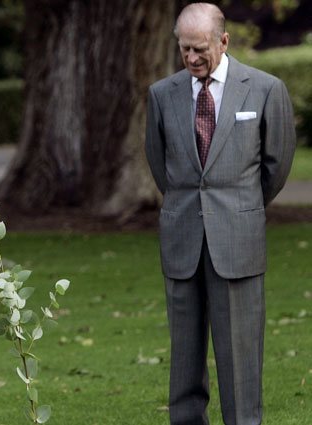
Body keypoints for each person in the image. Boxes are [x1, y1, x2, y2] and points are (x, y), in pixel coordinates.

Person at [145, 3, 296, 425]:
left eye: (200, 49)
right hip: (182, 242)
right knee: (184, 358)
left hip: (239, 241)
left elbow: (277, 165)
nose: (192, 58)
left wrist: (239, 208)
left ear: (223, 42)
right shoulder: (161, 95)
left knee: (241, 362)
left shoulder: (266, 89)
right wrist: (190, 206)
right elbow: (162, 166)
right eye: (184, 49)